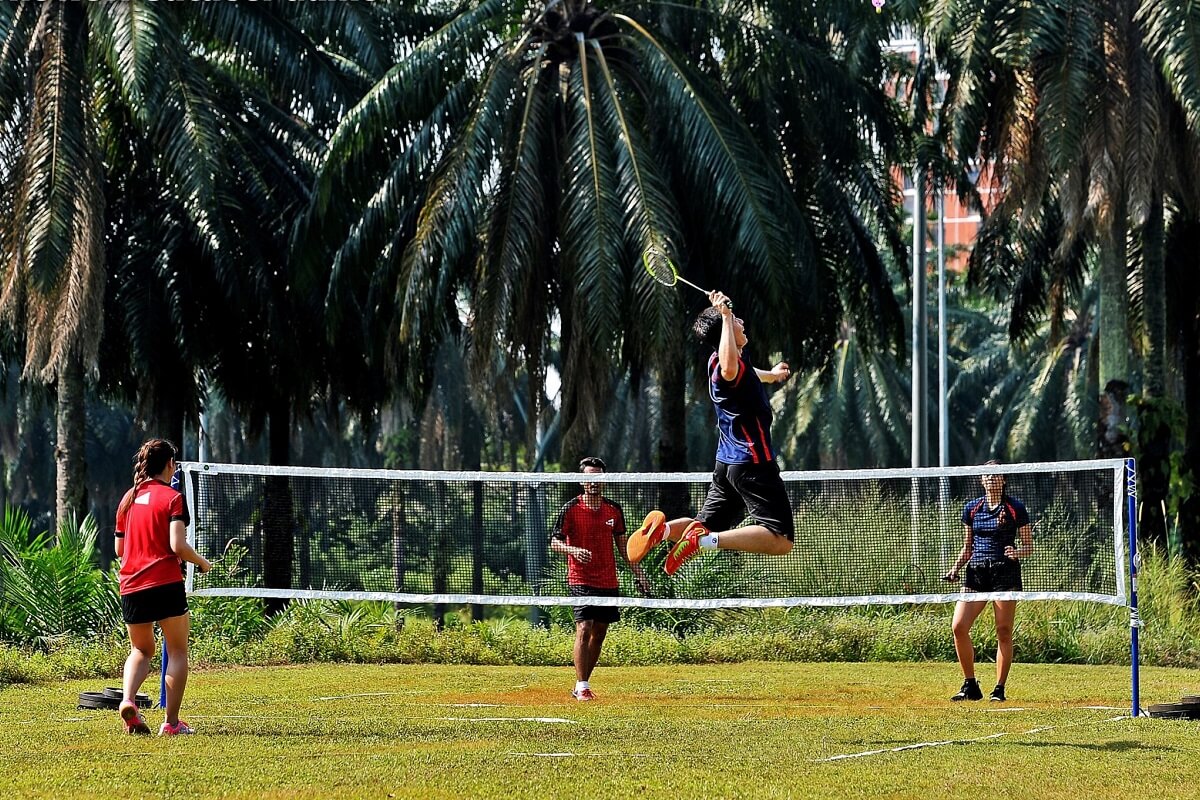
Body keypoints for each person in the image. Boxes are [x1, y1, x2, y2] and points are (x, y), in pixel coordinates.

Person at [626, 290, 794, 575]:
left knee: (704, 522)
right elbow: (733, 368)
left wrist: (772, 375)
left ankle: (662, 532)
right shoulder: (727, 366)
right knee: (781, 539)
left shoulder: (718, 363)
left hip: (727, 465)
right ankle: (704, 542)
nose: (741, 322)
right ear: (725, 331)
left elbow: (745, 370)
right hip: (753, 463)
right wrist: (726, 315)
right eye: (736, 320)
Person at [114, 439, 212, 735]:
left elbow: (119, 548)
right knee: (178, 650)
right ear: (170, 464)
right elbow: (177, 545)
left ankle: (128, 700)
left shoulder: (127, 499)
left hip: (131, 585)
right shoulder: (173, 498)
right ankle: (171, 723)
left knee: (141, 650)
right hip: (165, 583)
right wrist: (203, 563)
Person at [550, 456, 651, 701]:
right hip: (580, 578)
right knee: (584, 628)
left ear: (604, 480)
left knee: (600, 632)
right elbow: (554, 542)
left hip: (608, 580)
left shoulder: (613, 510)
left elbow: (624, 548)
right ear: (582, 481)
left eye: (598, 477)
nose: (594, 481)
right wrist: (573, 550)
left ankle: (584, 681)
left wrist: (640, 574)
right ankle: (581, 685)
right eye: (589, 477)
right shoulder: (571, 509)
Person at [942, 462, 1034, 702]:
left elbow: (1029, 547)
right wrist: (954, 569)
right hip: (977, 573)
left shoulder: (1015, 508)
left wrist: (1017, 552)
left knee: (1003, 631)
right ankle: (970, 685)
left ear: (1003, 479)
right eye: (987, 475)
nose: (991, 478)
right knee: (958, 626)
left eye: (996, 475)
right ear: (981, 480)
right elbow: (967, 547)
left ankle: (999, 689)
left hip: (1005, 574)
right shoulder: (972, 509)